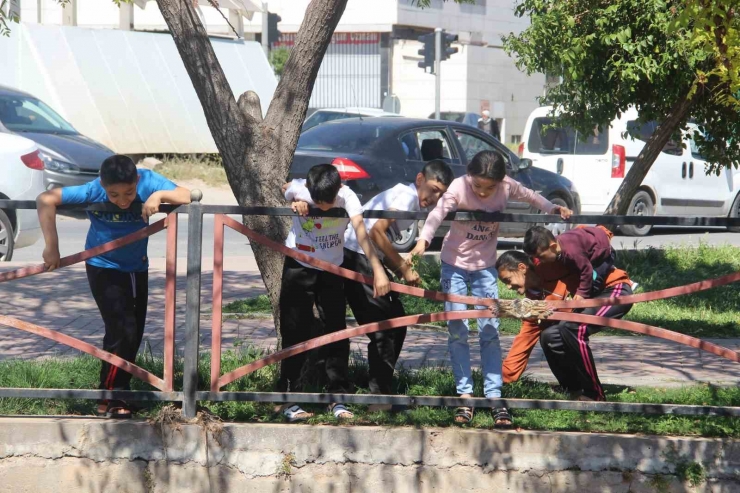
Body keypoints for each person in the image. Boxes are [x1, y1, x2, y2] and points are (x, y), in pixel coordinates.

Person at [408, 150, 572, 427]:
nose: (483, 193)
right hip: (454, 264)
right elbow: (437, 213)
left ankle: (494, 397)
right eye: (478, 186)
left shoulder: (507, 186)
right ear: (469, 176)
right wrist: (423, 240)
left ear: (500, 182)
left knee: (489, 329)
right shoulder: (459, 186)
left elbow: (531, 196)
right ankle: (465, 396)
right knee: (458, 329)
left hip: (485, 267)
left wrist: (552, 208)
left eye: (490, 187)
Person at [36, 155, 191, 418]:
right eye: (114, 194)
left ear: (137, 181)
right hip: (102, 266)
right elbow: (45, 199)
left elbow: (187, 195)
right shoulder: (93, 189)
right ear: (102, 185)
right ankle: (115, 395)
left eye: (129, 193)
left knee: (131, 333)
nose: (122, 200)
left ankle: (111, 395)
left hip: (135, 269)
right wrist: (52, 246)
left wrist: (158, 197)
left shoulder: (149, 180)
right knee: (122, 330)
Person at [279, 164, 390, 422]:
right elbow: (286, 187)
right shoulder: (302, 188)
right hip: (299, 265)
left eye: (328, 204)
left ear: (339, 188)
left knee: (336, 331)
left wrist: (378, 270)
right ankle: (289, 398)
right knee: (295, 329)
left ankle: (338, 396)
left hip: (332, 270)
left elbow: (361, 232)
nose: (325, 209)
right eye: (319, 203)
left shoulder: (347, 196)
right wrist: (295, 201)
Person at [342, 160, 454, 410]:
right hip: (357, 257)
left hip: (367, 259)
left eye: (441, 194)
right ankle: (379, 399)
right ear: (419, 180)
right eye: (433, 189)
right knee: (384, 328)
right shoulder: (406, 196)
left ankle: (383, 390)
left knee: (397, 321)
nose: (435, 198)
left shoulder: (410, 198)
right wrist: (403, 268)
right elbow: (376, 233)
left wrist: (401, 269)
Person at [496, 244, 633, 401]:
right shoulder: (534, 301)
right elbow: (525, 338)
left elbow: (582, 243)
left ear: (522, 268)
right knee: (549, 336)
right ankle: (572, 388)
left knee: (572, 327)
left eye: (508, 279)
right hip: (587, 304)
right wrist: (503, 378)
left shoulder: (551, 265)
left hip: (612, 289)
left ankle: (594, 394)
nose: (508, 286)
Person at [523, 225, 616, 299]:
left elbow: (587, 270)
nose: (540, 261)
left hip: (603, 255)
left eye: (541, 257)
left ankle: (593, 304)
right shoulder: (558, 246)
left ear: (553, 247)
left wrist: (582, 293)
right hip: (586, 251)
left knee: (593, 281)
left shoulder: (573, 252)